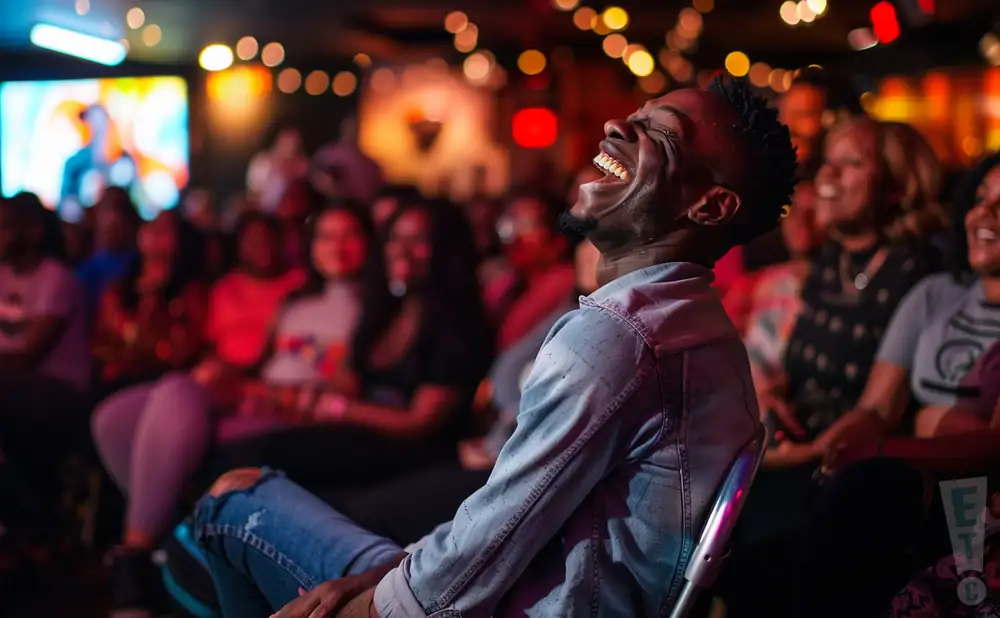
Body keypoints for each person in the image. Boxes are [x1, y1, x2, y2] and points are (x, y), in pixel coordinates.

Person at [191, 75, 796, 618]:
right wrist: (387, 571)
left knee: (232, 501)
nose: (617, 126)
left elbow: (464, 577)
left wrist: (368, 604)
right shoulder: (697, 324)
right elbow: (502, 530)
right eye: (633, 117)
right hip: (506, 585)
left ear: (710, 205)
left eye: (658, 133)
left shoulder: (621, 335)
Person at [92, 203, 369, 616]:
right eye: (327, 236)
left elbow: (350, 385)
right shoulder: (296, 300)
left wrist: (271, 392)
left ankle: (136, 558)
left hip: (295, 412)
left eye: (348, 235)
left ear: (367, 242)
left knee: (176, 394)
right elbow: (263, 360)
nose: (337, 247)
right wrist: (232, 375)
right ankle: (166, 540)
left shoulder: (369, 307)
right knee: (115, 417)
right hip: (257, 393)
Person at [206, 198, 494, 487]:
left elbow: (420, 422)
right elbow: (349, 380)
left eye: (418, 239)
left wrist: (335, 407)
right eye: (395, 238)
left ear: (446, 248)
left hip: (410, 452)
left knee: (251, 458)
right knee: (233, 451)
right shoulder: (387, 311)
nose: (402, 250)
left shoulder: (458, 323)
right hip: (353, 431)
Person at [0, 193, 89, 556]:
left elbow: (27, 356)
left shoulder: (57, 279)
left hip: (60, 393)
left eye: (4, 227)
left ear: (33, 231)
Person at [92, 210, 207, 392]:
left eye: (166, 227)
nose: (154, 229)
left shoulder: (189, 293)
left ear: (180, 240)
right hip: (115, 380)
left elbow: (183, 351)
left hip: (163, 385)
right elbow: (101, 342)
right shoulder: (118, 291)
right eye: (152, 222)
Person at [486, 191, 576, 350]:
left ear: (558, 240)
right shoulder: (509, 285)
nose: (514, 235)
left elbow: (509, 339)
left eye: (527, 225)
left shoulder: (564, 282)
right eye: (512, 222)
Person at [60, 104, 138, 217]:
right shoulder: (74, 164)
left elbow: (135, 202)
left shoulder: (125, 161)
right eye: (91, 123)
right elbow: (65, 203)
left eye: (101, 123)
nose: (97, 130)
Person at [76, 186, 142, 317]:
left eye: (119, 210)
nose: (112, 216)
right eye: (106, 209)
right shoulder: (85, 270)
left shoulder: (142, 266)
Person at [247, 127, 311, 213]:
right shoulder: (262, 162)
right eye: (288, 142)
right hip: (267, 212)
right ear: (279, 141)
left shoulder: (302, 165)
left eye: (295, 143)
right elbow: (254, 193)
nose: (291, 147)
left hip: (295, 213)